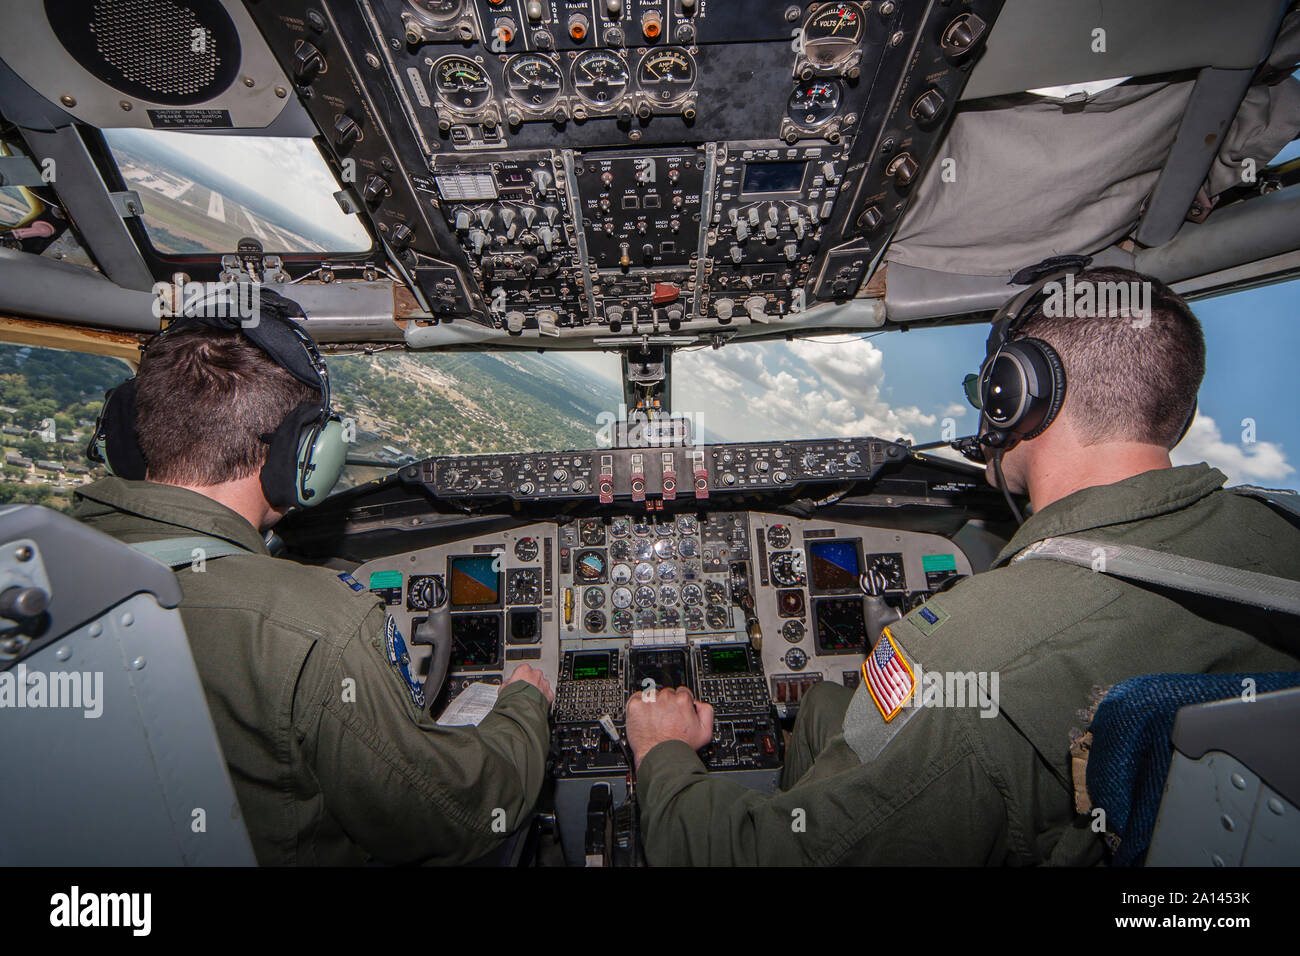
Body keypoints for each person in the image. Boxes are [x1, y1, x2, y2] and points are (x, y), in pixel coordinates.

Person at [624, 266, 1300, 865]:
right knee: (830, 703)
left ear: (1017, 392)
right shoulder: (1281, 535)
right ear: (1174, 418)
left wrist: (662, 754)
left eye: (992, 385)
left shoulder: (972, 656)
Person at [75, 293, 553, 865]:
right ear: (303, 455)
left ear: (131, 430)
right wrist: (526, 702)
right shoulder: (314, 627)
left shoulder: (27, 570)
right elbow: (455, 817)